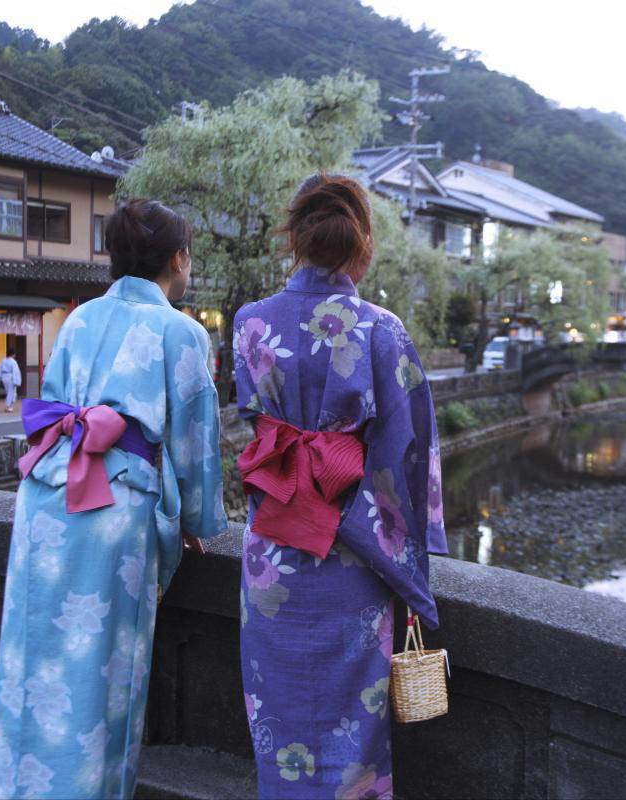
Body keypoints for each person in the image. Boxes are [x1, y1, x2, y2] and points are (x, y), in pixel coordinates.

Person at [0, 199, 227, 800]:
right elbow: (195, 443)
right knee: (99, 671)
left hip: (46, 495)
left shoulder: (80, 319)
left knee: (34, 654)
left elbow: (54, 407)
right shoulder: (182, 331)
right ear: (179, 259)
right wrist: (196, 520)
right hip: (113, 510)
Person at [233, 173, 446, 799]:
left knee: (278, 719)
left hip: (271, 555)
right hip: (354, 558)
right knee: (355, 733)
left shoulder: (249, 323)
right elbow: (408, 457)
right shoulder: (382, 330)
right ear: (362, 243)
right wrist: (414, 561)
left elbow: (257, 432)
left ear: (294, 236)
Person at [0, 347, 22, 412]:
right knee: (11, 392)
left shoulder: (3, 360)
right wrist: (16, 381)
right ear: (13, 354)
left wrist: (0, 377)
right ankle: (8, 406)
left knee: (8, 392)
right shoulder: (13, 362)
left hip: (4, 377)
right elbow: (15, 372)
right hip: (10, 377)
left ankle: (9, 406)